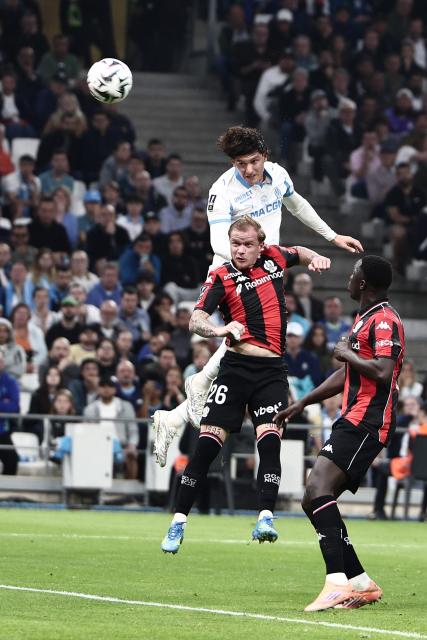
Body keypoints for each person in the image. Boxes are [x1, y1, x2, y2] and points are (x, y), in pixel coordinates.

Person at [153, 125, 362, 466]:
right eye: (240, 164)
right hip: (234, 274)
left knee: (252, 342)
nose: (248, 170)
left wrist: (332, 235)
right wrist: (258, 260)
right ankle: (199, 383)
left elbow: (297, 204)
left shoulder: (277, 175)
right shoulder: (221, 191)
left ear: (264, 154)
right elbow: (219, 243)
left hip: (266, 273)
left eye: (252, 161)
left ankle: (176, 414)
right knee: (251, 340)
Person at [160, 215, 331, 553]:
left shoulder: (276, 258)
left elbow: (301, 251)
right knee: (206, 447)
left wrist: (317, 258)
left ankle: (265, 517)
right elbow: (196, 319)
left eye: (246, 244)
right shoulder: (221, 277)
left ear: (260, 244)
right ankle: (178, 521)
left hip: (271, 373)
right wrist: (219, 330)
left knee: (269, 443)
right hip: (236, 370)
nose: (239, 250)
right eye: (234, 243)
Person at [274, 255, 405, 611]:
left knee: (318, 488)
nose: (348, 278)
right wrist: (301, 403)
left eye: (353, 274)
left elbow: (381, 371)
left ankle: (336, 583)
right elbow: (348, 375)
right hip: (353, 417)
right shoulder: (364, 318)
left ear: (364, 284)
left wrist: (347, 352)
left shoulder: (384, 321)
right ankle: (360, 582)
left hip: (368, 420)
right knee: (311, 498)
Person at [84, 376, 139, 479]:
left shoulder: (125, 406)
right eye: (103, 386)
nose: (106, 389)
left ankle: (129, 490)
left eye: (110, 386)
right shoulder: (90, 409)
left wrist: (132, 445)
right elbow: (87, 432)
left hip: (121, 446)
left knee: (132, 455)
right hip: (97, 446)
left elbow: (133, 430)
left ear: (115, 389)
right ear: (98, 389)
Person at [0, 351, 20, 475]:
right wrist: (3, 402)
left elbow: (14, 406)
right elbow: (8, 404)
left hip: (2, 431)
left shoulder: (10, 381)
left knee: (12, 460)